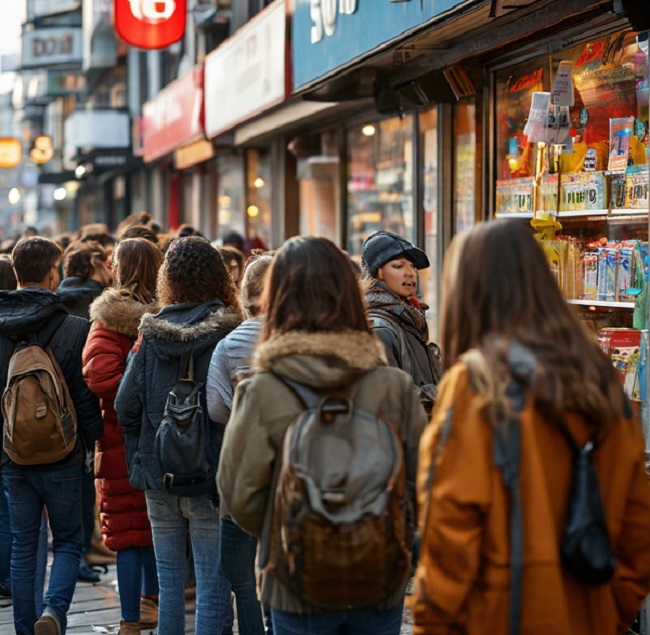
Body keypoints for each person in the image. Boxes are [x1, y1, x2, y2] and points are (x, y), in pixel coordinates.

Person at [412, 220, 650, 635]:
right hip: (587, 617)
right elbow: (638, 529)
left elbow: (450, 540)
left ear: (467, 294)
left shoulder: (474, 385)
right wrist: (606, 614)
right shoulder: (598, 381)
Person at [217, 236, 427, 635]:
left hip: (297, 579)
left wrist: (289, 527)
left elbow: (239, 495)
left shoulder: (262, 390)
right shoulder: (393, 387)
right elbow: (424, 479)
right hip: (379, 574)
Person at [115, 236, 243, 635]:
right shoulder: (230, 330)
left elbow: (124, 405)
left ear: (167, 278)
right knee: (210, 580)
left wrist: (146, 449)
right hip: (210, 473)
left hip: (159, 471)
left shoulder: (150, 334)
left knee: (169, 581)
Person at [0, 237, 103, 635]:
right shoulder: (75, 327)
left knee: (25, 546)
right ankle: (54, 613)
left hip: (13, 455)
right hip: (62, 454)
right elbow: (84, 396)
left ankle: (25, 629)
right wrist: (93, 442)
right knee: (67, 542)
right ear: (50, 274)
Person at [82, 239, 164, 635]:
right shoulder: (167, 315)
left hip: (122, 438)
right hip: (154, 436)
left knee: (134, 533)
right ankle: (146, 608)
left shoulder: (108, 320)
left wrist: (132, 400)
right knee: (148, 527)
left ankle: (133, 618)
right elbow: (103, 376)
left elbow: (99, 377)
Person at [207, 252, 273, 635]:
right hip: (287, 469)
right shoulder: (297, 339)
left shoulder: (229, 345)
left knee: (243, 580)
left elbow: (216, 409)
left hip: (242, 468)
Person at [57, 240, 115, 583]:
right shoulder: (97, 305)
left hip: (52, 410)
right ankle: (78, 551)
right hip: (85, 409)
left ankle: (77, 551)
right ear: (93, 268)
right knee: (82, 485)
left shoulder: (57, 301)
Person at [361, 230, 442, 415]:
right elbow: (388, 393)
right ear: (378, 272)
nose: (410, 273)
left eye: (413, 266)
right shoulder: (380, 328)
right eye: (398, 266)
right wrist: (441, 396)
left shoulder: (410, 318)